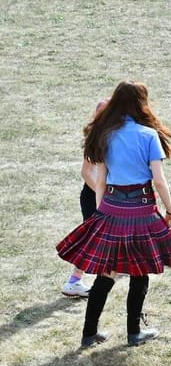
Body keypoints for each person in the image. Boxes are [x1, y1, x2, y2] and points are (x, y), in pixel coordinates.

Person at [56, 82, 171, 348]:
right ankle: (134, 332)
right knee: (140, 272)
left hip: (111, 209)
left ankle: (89, 334)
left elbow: (100, 181)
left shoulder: (105, 135)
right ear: (141, 103)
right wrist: (170, 211)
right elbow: (159, 181)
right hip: (142, 209)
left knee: (106, 273)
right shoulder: (148, 135)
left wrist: (101, 213)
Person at [62, 98, 109, 298]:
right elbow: (86, 172)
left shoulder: (109, 136)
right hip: (93, 195)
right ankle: (74, 280)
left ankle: (114, 267)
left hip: (103, 194)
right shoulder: (96, 139)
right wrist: (102, 194)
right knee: (92, 238)